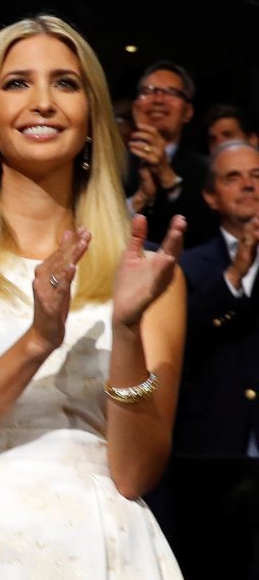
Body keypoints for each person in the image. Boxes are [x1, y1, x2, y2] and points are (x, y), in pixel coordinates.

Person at [0, 16, 186, 577]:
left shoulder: (145, 276)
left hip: (103, 546)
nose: (43, 101)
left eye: (66, 83)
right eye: (17, 83)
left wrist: (124, 329)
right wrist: (37, 340)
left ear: (91, 117)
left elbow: (135, 473)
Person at [170, 142, 259, 578]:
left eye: (257, 175)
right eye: (233, 177)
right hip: (208, 454)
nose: (249, 185)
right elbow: (176, 338)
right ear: (210, 197)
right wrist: (233, 279)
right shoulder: (188, 267)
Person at [127, 60, 213, 248]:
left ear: (188, 112)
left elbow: (207, 232)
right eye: (148, 91)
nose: (158, 100)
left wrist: (169, 179)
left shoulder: (206, 169)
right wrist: (139, 199)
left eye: (171, 92)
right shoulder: (111, 162)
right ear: (135, 106)